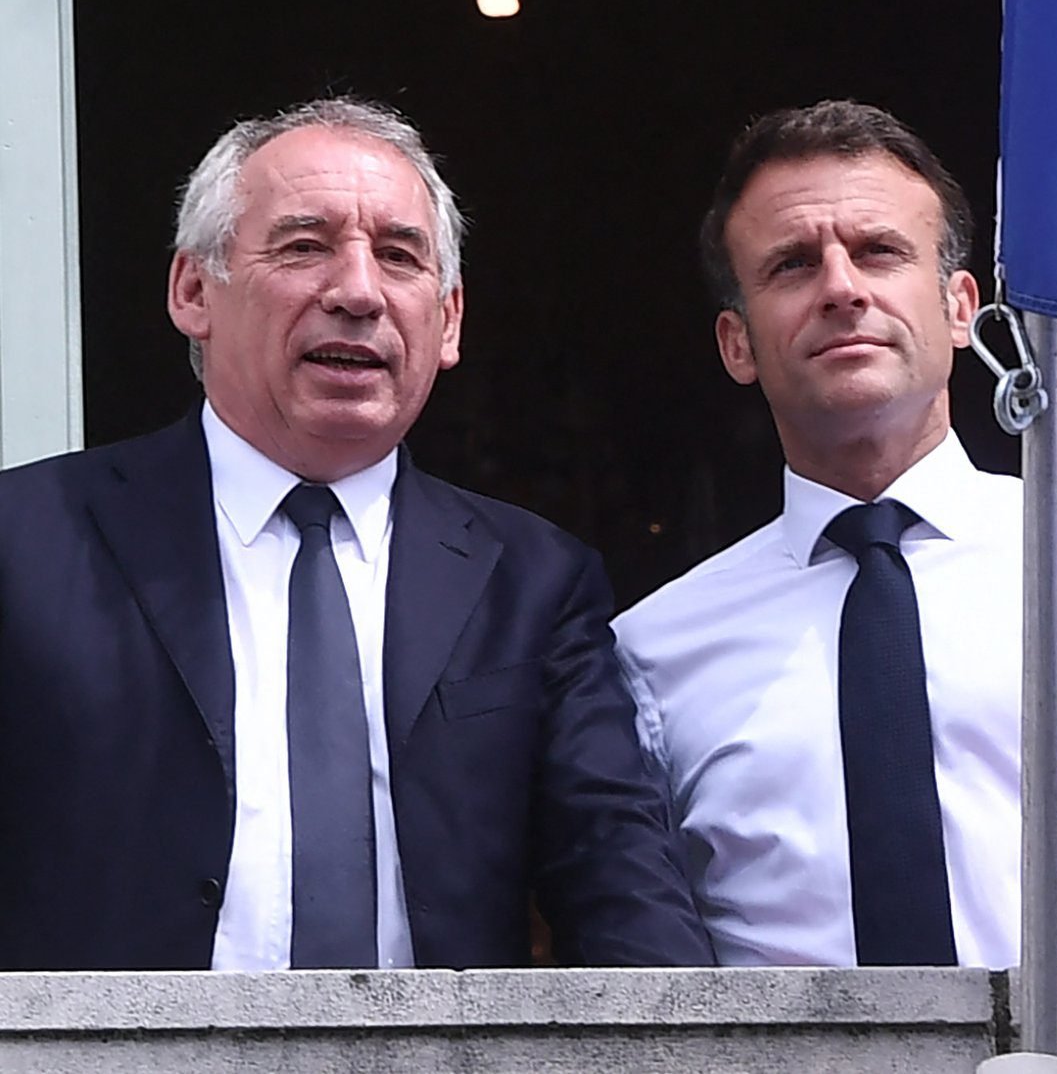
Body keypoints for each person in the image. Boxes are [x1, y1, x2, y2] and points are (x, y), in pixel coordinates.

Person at [0, 96, 712, 972]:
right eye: (303, 246)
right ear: (193, 291)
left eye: (401, 257)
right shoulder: (27, 543)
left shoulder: (532, 582)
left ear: (446, 321)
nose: (359, 292)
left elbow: (620, 878)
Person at [612, 99, 1057, 967]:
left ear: (961, 306)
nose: (841, 287)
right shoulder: (654, 650)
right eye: (790, 265)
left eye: (880, 252)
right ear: (737, 344)